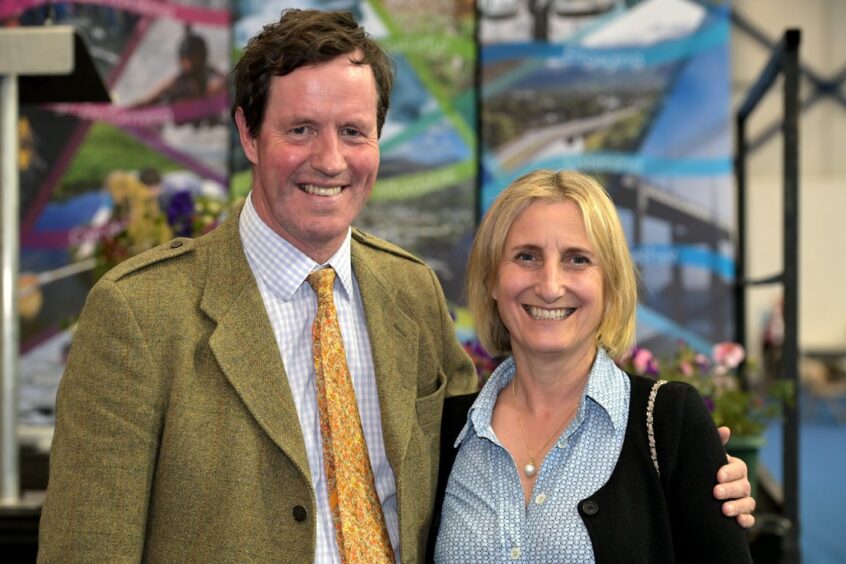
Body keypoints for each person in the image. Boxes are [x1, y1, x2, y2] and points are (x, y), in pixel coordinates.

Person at [38, 10, 754, 562]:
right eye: (300, 129)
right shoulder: (139, 312)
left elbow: (476, 461)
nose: (330, 159)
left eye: (354, 130)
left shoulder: (408, 294)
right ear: (249, 135)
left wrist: (690, 478)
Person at [434, 170, 753, 562]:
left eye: (577, 259)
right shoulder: (445, 431)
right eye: (526, 256)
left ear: (610, 285)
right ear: (491, 282)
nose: (550, 286)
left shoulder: (671, 424)